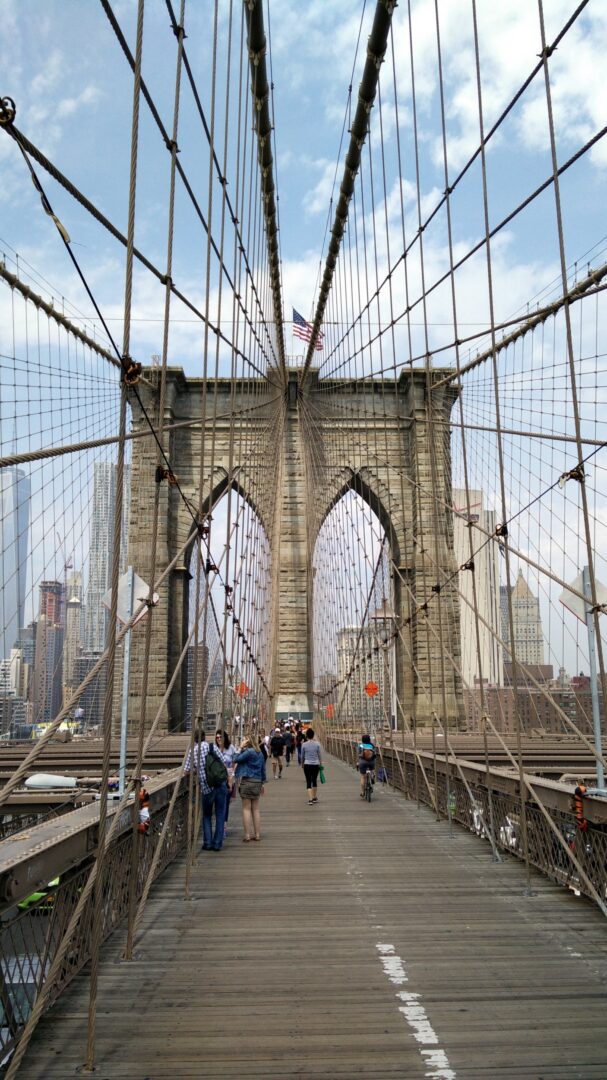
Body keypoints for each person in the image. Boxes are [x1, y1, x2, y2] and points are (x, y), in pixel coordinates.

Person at [184, 732, 230, 851]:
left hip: (206, 787)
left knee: (207, 815)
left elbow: (186, 771)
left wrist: (197, 770)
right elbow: (223, 762)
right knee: (220, 814)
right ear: (204, 737)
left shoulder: (192, 752)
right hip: (220, 784)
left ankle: (208, 843)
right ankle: (217, 843)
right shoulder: (212, 747)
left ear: (194, 740)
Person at [233, 734, 266, 841]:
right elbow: (263, 769)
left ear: (248, 742)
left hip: (247, 781)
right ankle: (257, 835)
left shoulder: (248, 752)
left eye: (244, 740)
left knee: (246, 809)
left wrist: (240, 748)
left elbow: (235, 759)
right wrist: (263, 784)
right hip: (257, 782)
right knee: (256, 809)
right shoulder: (260, 753)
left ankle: (247, 835)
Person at [216, 730, 237, 838]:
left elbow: (235, 763)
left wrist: (232, 778)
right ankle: (219, 826)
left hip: (229, 780)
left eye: (220, 737)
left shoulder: (231, 748)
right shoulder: (215, 749)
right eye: (217, 737)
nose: (219, 739)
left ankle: (223, 826)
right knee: (219, 804)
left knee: (225, 804)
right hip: (218, 780)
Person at [301, 727, 322, 804]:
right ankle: (314, 797)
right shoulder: (317, 744)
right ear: (313, 735)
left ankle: (310, 800)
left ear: (306, 736)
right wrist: (321, 764)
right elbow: (319, 755)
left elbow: (302, 756)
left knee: (308, 781)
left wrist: (302, 764)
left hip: (307, 764)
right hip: (316, 764)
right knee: (314, 780)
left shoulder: (304, 745)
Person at [357, 733, 377, 798]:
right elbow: (375, 754)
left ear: (362, 740)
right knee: (372, 769)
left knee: (363, 777)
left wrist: (357, 762)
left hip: (363, 762)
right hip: (371, 762)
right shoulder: (372, 746)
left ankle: (362, 792)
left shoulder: (360, 746)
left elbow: (359, 755)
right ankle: (372, 776)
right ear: (369, 739)